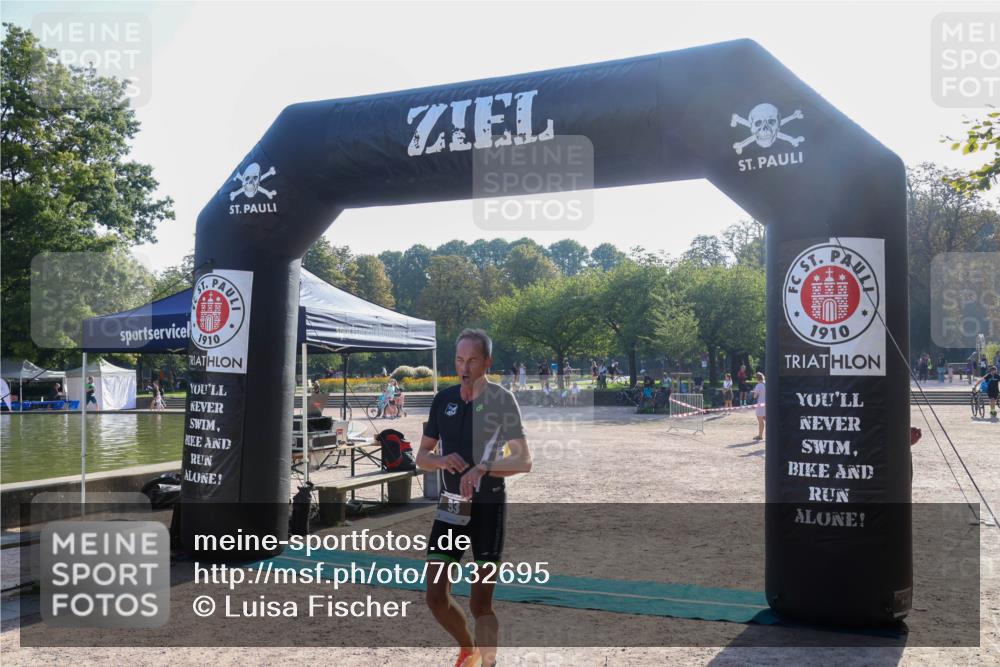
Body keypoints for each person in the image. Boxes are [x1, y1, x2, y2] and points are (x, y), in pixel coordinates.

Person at [416, 329, 532, 667]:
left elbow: (523, 460)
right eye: (459, 360)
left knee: (481, 605)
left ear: (487, 362)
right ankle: (469, 649)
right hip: (451, 505)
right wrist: (440, 460)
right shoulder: (444, 399)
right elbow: (422, 455)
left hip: (488, 507)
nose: (464, 367)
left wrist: (483, 468)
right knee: (436, 597)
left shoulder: (501, 400)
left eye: (472, 360)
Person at [752, 372, 766, 440]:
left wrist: (754, 392)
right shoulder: (766, 384)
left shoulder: (758, 385)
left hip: (760, 405)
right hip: (767, 404)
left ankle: (760, 435)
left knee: (760, 420)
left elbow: (755, 396)